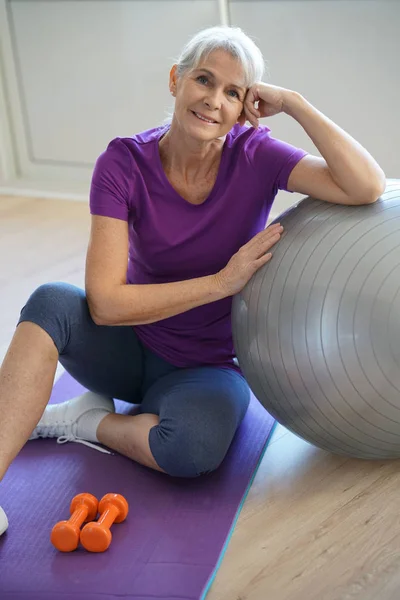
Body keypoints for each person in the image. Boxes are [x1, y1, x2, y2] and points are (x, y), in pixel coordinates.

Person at [0, 26, 385, 534]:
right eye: (204, 80)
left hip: (207, 366)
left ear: (247, 105)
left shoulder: (255, 155)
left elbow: (367, 185)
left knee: (191, 452)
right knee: (51, 300)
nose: (213, 101)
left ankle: (85, 420)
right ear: (175, 80)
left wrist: (294, 103)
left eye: (233, 93)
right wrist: (221, 283)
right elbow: (105, 306)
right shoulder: (124, 163)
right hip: (126, 346)